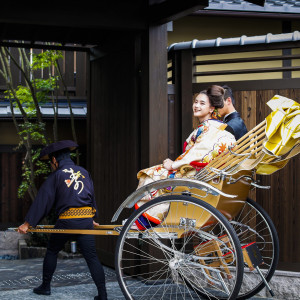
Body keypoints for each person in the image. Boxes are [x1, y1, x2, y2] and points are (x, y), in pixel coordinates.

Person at [135, 85, 236, 227]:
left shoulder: (209, 128)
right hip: (203, 173)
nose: (196, 106)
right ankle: (146, 221)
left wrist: (173, 164)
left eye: (202, 103)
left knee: (150, 176)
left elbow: (199, 152)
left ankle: (144, 222)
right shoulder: (215, 126)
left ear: (212, 108)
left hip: (196, 175)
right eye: (196, 102)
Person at [18, 140, 107, 300]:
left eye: (52, 162)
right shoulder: (84, 172)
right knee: (92, 256)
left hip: (67, 220)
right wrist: (91, 216)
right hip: (85, 220)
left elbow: (43, 201)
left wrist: (27, 224)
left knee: (52, 250)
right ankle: (103, 294)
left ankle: (45, 286)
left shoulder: (57, 175)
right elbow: (90, 196)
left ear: (54, 160)